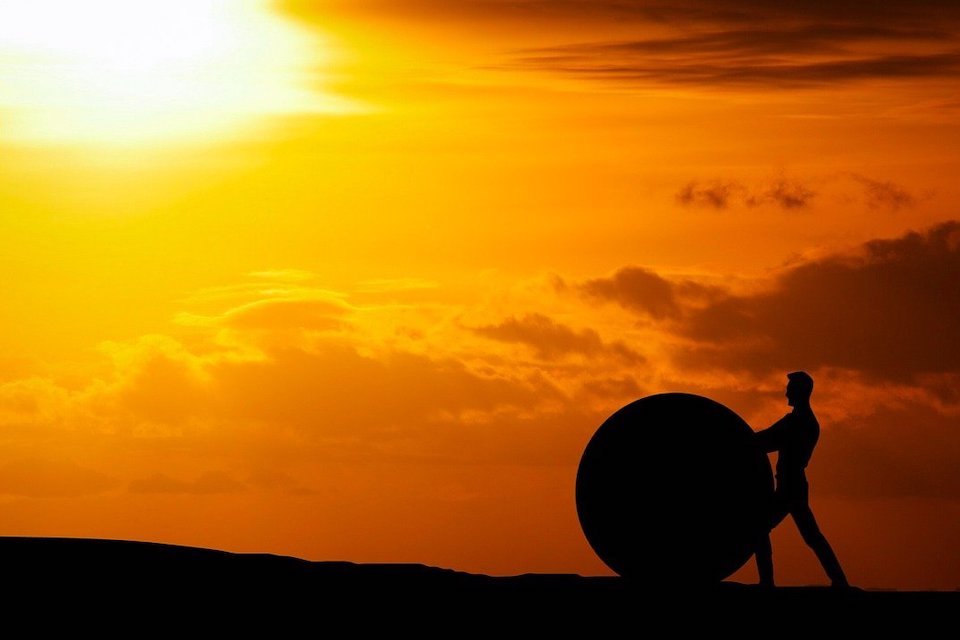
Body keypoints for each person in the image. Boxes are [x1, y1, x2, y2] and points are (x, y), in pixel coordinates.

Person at [754, 371, 849, 588]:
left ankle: (767, 582)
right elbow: (768, 440)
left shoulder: (796, 421)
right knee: (812, 536)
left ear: (799, 391)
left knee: (760, 528)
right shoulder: (808, 421)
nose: (786, 391)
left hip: (789, 486)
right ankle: (839, 581)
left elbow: (765, 440)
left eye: (790, 387)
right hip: (794, 484)